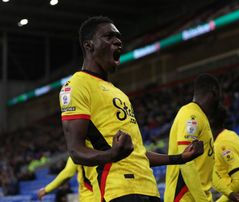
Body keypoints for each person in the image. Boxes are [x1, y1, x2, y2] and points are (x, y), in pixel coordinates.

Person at [60, 16, 204, 202]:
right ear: (89, 46)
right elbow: (75, 150)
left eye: (118, 37)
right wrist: (112, 154)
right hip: (117, 190)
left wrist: (180, 158)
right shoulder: (77, 85)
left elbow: (137, 152)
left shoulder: (119, 94)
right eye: (109, 37)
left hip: (149, 189)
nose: (118, 41)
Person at [164, 74, 222, 202]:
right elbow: (186, 162)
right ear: (214, 92)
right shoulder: (191, 114)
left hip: (195, 197)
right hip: (184, 197)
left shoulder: (201, 116)